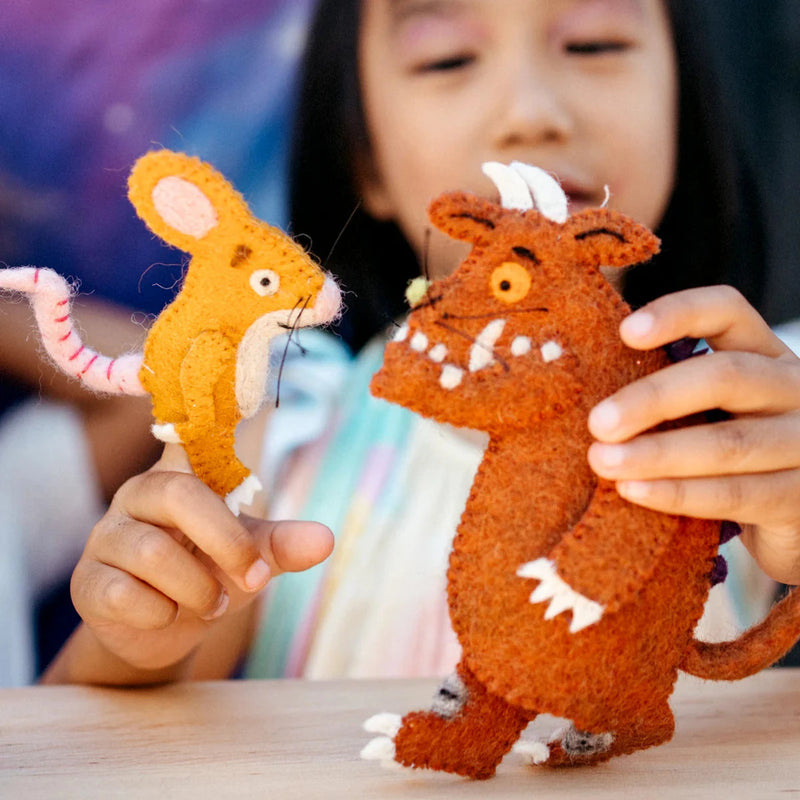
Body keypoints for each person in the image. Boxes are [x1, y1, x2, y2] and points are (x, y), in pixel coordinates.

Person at [42, 0, 800, 686]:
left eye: (594, 43)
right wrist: (133, 638)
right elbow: (83, 744)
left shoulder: (758, 414)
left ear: (683, 107)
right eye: (447, 58)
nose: (532, 112)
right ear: (365, 160)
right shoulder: (282, 443)